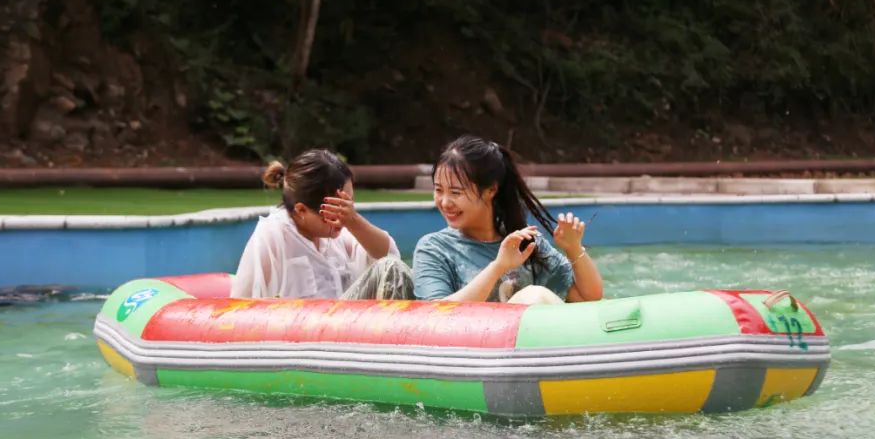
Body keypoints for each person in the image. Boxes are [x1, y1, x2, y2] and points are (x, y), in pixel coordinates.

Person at [412, 135, 603, 304]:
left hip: (532, 333)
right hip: (475, 335)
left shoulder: (525, 243)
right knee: (533, 297)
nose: (445, 202)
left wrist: (573, 248)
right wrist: (498, 267)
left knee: (535, 296)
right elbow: (435, 314)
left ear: (490, 190)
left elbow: (588, 297)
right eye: (438, 190)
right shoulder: (434, 248)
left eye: (456, 192)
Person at [231, 150, 412, 300]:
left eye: (347, 205)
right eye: (335, 209)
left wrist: (354, 220)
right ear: (301, 210)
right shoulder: (272, 235)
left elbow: (389, 256)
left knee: (392, 268)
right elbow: (239, 307)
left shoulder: (339, 233)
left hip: (344, 323)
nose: (343, 217)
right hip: (299, 328)